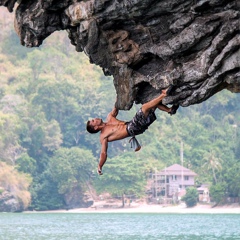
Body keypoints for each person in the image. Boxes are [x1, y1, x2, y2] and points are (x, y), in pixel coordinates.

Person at [86, 86, 179, 175]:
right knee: (145, 107)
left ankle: (170, 110)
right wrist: (100, 165)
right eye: (93, 121)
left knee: (151, 103)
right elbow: (103, 153)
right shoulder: (103, 136)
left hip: (135, 125)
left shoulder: (110, 117)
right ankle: (164, 94)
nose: (95, 118)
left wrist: (119, 92)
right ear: (95, 128)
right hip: (132, 128)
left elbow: (116, 105)